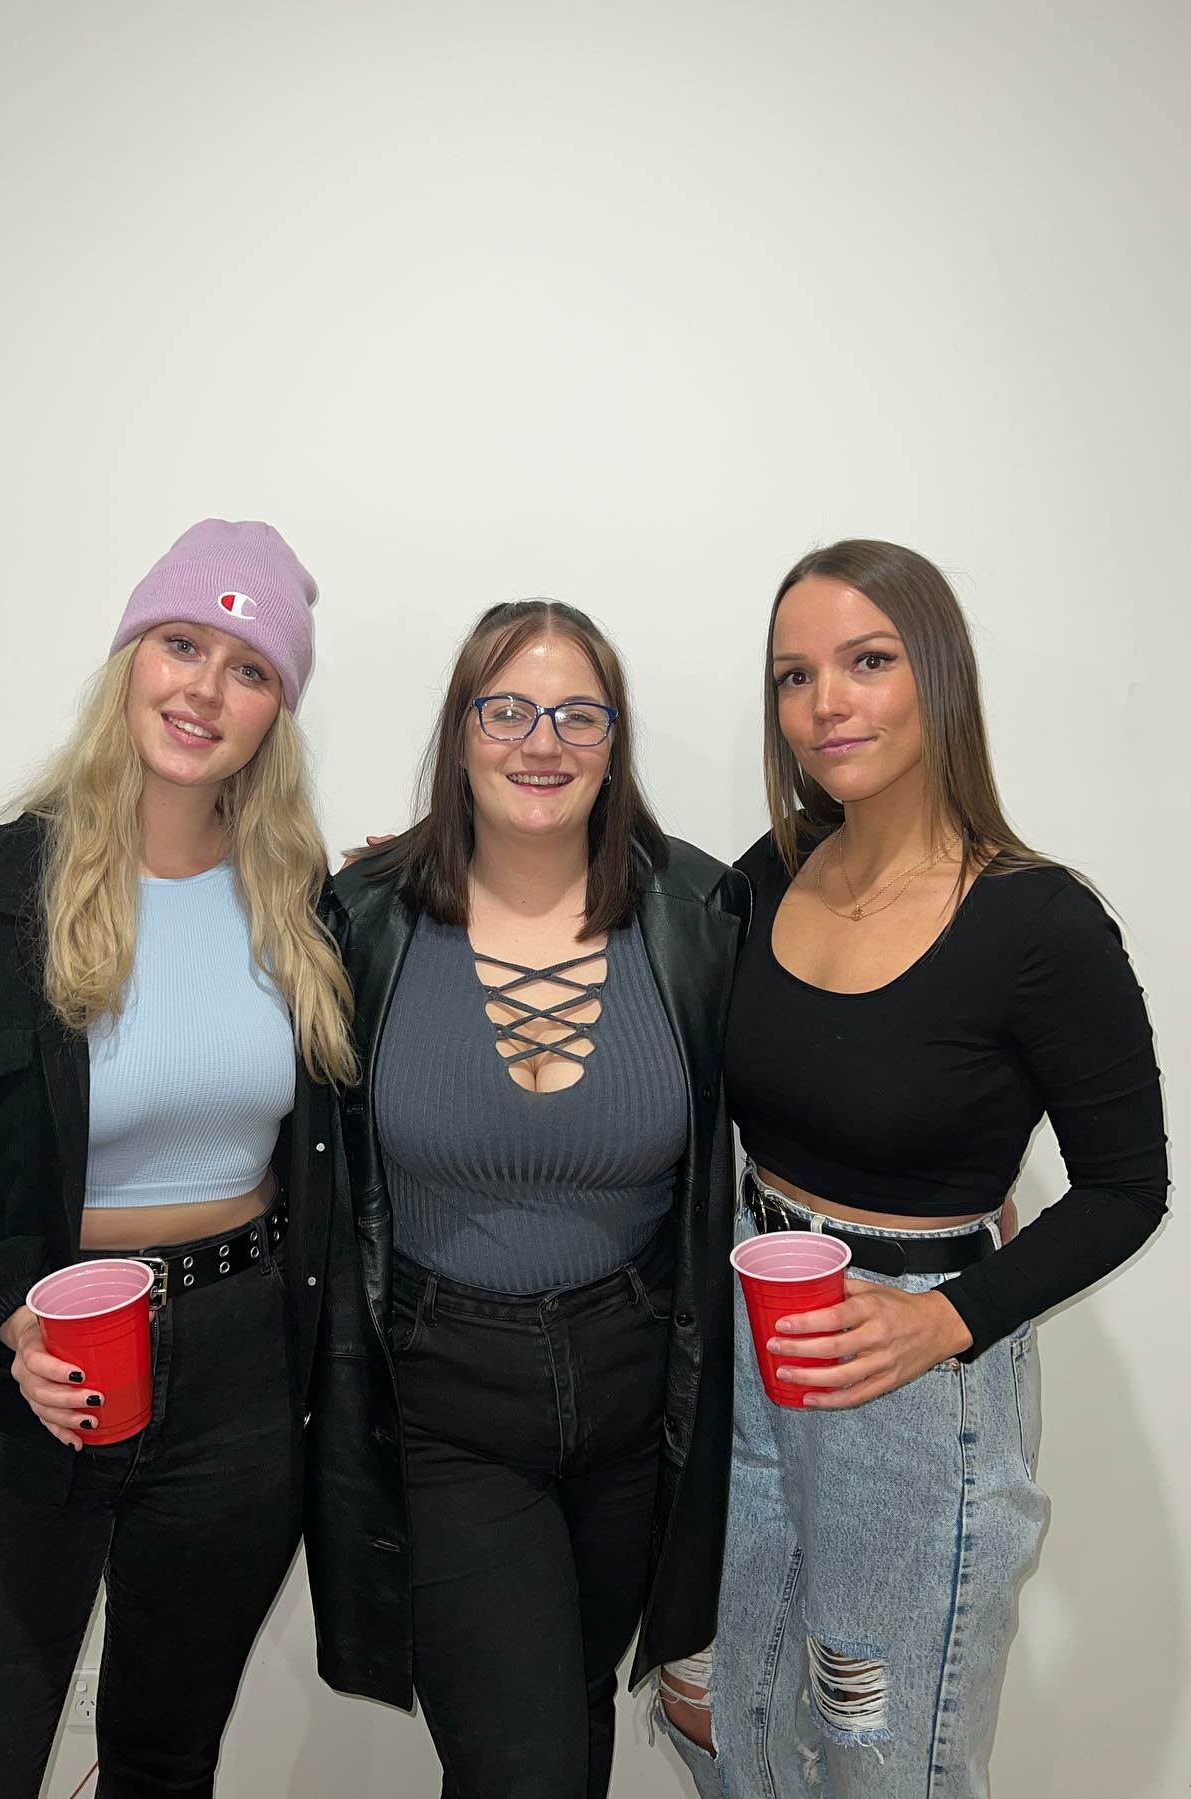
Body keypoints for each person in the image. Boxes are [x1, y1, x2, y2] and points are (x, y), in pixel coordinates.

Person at [0, 520, 356, 1798]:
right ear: (129, 659)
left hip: (237, 1378)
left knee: (163, 1760)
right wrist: (1, 1318)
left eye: (249, 668)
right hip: (25, 1365)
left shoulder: (305, 910)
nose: (205, 688)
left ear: (276, 713)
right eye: (181, 644)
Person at [660, 539, 1168, 1798]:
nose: (825, 702)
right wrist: (439, 874)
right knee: (721, 1700)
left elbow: (1126, 1187)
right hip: (752, 1339)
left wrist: (944, 1318)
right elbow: (628, 937)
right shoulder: (773, 869)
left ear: (938, 675)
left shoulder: (1040, 922)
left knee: (882, 1748)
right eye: (794, 675)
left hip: (914, 1381)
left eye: (867, 661)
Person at [303, 600, 750, 1799]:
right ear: (460, 733)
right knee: (528, 1766)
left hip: (637, 1387)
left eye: (577, 714)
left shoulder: (699, 912)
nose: (541, 742)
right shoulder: (364, 916)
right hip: (444, 1396)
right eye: (506, 710)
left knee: (574, 1709)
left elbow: (806, 1075)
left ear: (614, 741)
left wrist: (945, 1200)